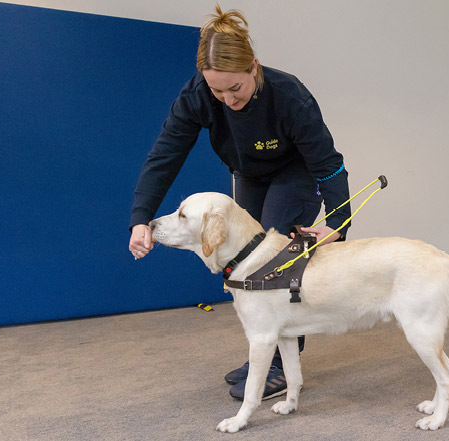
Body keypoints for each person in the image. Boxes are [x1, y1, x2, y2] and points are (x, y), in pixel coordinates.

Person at [128, 6, 351, 401]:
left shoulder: (289, 97)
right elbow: (164, 157)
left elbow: (329, 165)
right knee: (239, 262)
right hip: (247, 173)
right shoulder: (197, 95)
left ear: (254, 67)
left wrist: (339, 224)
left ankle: (280, 365)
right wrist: (141, 218)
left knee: (270, 262)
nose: (227, 99)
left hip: (295, 174)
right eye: (217, 90)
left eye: (236, 88)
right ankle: (263, 350)